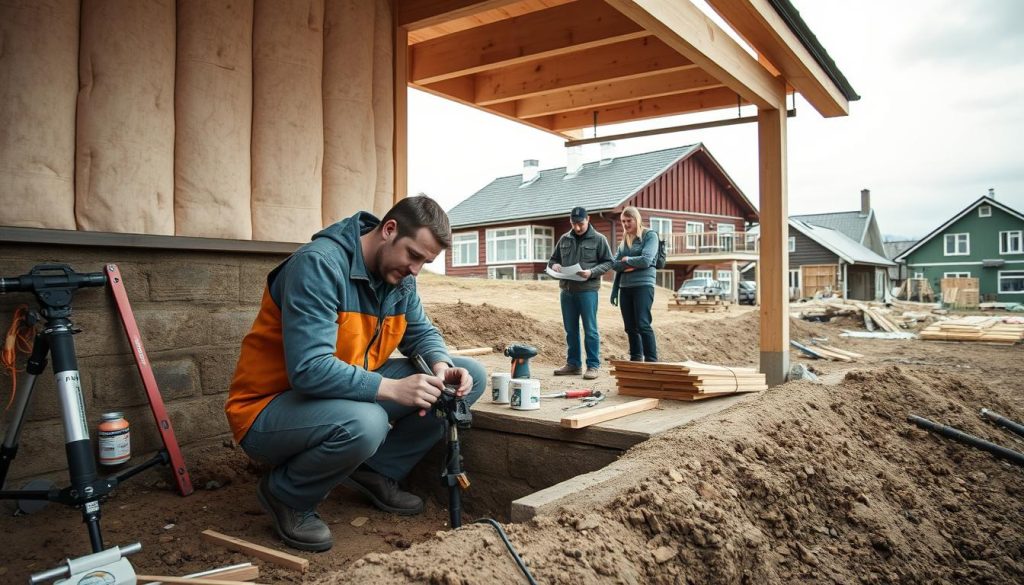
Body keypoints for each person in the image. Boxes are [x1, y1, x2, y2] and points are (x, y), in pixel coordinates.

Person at [224, 195, 485, 552]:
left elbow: (421, 333)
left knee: (468, 375)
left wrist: (440, 365)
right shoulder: (318, 266)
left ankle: (375, 470)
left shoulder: (399, 279)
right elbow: (309, 369)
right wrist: (392, 388)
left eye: (425, 262)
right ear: (389, 230)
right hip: (268, 410)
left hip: (336, 396)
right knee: (368, 420)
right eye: (413, 255)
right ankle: (287, 494)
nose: (415, 270)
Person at [547, 206, 614, 379]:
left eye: (580, 224)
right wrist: (554, 265)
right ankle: (573, 364)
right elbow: (553, 260)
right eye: (573, 223)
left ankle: (592, 365)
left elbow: (608, 262)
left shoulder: (599, 239)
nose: (577, 227)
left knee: (590, 329)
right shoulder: (564, 239)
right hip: (567, 291)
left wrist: (591, 272)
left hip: (587, 291)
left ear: (588, 219)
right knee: (570, 330)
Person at [610, 206, 659, 362]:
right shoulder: (624, 240)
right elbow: (614, 264)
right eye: (623, 221)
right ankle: (636, 359)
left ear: (636, 219)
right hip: (625, 287)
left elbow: (646, 260)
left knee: (643, 324)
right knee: (630, 326)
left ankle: (651, 360)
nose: (625, 224)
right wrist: (629, 264)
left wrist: (627, 260)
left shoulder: (649, 236)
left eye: (628, 220)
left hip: (643, 285)